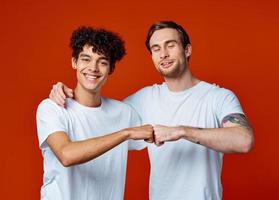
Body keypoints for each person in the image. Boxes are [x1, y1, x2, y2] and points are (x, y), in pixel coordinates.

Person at [49, 21, 254, 200]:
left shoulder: (218, 97)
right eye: (156, 48)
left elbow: (243, 140)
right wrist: (69, 94)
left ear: (187, 50)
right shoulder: (143, 99)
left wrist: (182, 131)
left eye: (170, 45)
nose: (163, 54)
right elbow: (97, 117)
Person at [36, 26, 154, 200]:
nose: (93, 67)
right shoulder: (52, 107)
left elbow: (163, 125)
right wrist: (126, 133)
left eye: (102, 62)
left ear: (111, 69)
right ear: (74, 62)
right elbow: (66, 155)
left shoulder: (124, 112)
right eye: (86, 59)